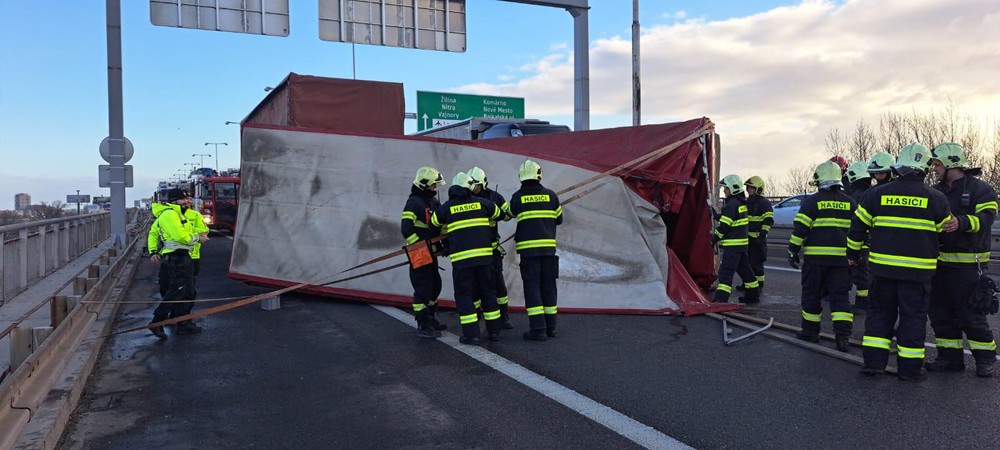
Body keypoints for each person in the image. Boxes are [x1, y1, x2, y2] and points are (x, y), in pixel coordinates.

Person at [847, 143, 951, 381]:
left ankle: (873, 365)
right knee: (913, 319)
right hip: (918, 274)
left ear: (898, 166)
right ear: (924, 168)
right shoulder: (937, 198)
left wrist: (852, 256)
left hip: (882, 271)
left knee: (879, 316)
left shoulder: (875, 194)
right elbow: (944, 234)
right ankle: (910, 370)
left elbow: (857, 230)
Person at [926, 143, 998, 377]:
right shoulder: (935, 191)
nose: (934, 169)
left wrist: (962, 223)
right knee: (940, 313)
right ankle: (949, 358)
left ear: (952, 164)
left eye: (937, 164)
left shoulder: (981, 190)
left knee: (970, 315)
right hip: (938, 265)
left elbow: (986, 219)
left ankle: (985, 359)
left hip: (967, 267)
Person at [787, 161, 856, 352]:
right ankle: (843, 337)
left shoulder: (812, 202)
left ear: (819, 179)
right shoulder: (850, 202)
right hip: (842, 262)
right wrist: (857, 256)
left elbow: (800, 229)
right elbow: (859, 232)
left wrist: (792, 251)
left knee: (812, 295)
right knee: (840, 298)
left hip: (816, 261)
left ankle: (810, 332)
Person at [431, 172, 503, 345]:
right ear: (470, 187)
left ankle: (471, 335)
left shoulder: (446, 208)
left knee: (465, 296)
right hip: (485, 259)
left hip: (462, 261)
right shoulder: (484, 203)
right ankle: (494, 332)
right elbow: (499, 214)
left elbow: (433, 223)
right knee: (488, 292)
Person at [508, 160, 563, 341]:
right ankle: (551, 328)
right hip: (548, 252)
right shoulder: (552, 196)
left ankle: (538, 330)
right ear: (539, 174)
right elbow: (559, 219)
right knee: (549, 288)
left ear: (521, 176)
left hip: (529, 254)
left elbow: (509, 214)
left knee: (532, 289)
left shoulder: (517, 197)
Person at [148, 188, 207, 339]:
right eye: (184, 199)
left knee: (186, 291)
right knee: (176, 291)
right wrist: (196, 238)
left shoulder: (180, 214)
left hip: (184, 257)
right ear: (174, 200)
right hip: (176, 258)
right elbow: (180, 235)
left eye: (188, 199)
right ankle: (157, 321)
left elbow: (200, 229)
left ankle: (183, 323)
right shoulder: (170, 214)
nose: (188, 201)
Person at [401, 166, 447, 339]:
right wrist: (419, 248)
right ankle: (422, 323)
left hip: (431, 252)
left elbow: (439, 225)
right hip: (419, 252)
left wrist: (444, 244)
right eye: (433, 186)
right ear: (424, 185)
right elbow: (406, 228)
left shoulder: (432, 202)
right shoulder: (414, 202)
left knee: (435, 284)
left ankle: (431, 317)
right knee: (423, 287)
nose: (435, 189)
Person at [468, 166, 514, 330]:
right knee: (474, 285)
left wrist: (508, 210)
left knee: (498, 284)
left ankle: (504, 316)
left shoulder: (494, 197)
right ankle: (476, 314)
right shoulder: (465, 197)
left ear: (484, 184)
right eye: (473, 186)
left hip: (492, 249)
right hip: (474, 249)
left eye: (478, 186)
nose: (476, 189)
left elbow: (508, 214)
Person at [712, 175, 760, 304]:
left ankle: (720, 300)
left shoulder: (731, 204)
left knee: (726, 273)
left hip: (732, 246)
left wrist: (714, 238)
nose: (724, 191)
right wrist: (717, 216)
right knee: (745, 271)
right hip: (742, 245)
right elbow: (732, 219)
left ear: (733, 188)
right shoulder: (739, 202)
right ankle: (753, 295)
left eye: (726, 188)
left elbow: (725, 226)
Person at [844, 161, 873, 314]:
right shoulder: (872, 192)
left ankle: (862, 305)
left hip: (861, 242)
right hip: (871, 241)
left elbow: (856, 224)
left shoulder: (856, 196)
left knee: (861, 274)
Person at [742, 176, 773, 294]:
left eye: (751, 187)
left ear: (758, 189)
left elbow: (769, 220)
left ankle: (759, 284)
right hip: (747, 238)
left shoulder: (764, 203)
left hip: (757, 238)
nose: (748, 189)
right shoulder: (747, 202)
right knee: (747, 262)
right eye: (748, 187)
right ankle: (748, 284)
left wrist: (762, 234)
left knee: (757, 263)